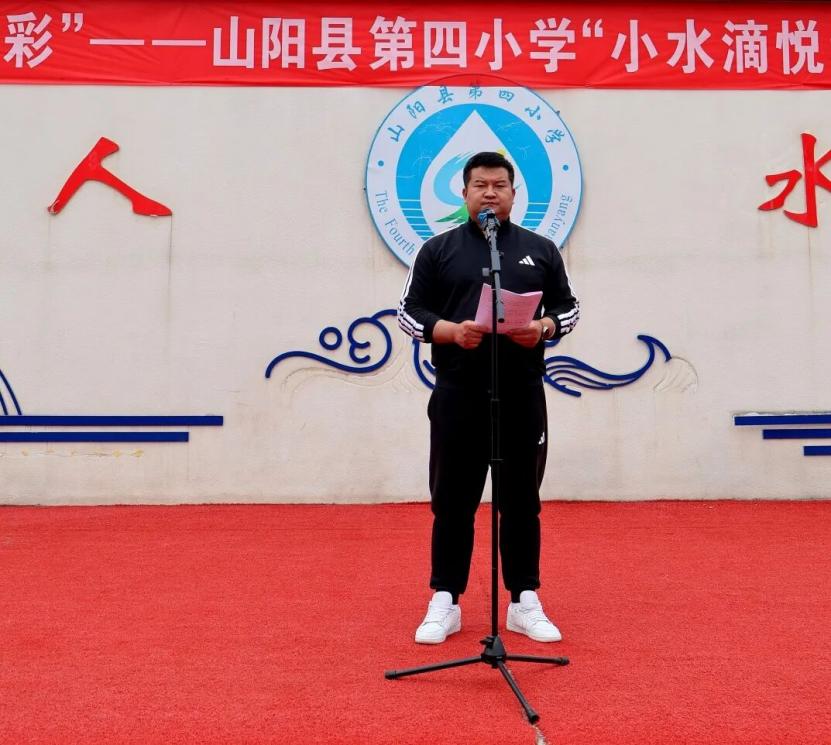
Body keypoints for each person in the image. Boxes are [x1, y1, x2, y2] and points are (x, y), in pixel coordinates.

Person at [397, 151, 579, 644]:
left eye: (500, 185)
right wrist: (450, 331)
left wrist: (543, 326)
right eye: (481, 185)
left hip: (521, 393)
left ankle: (524, 599)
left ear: (514, 194)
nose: (490, 193)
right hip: (458, 392)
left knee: (521, 501)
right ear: (464, 193)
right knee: (453, 501)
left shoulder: (540, 250)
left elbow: (568, 308)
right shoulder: (438, 250)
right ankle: (445, 599)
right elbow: (409, 312)